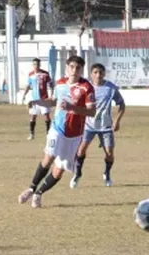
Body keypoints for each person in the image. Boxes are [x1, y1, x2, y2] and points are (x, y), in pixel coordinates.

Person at [18, 55, 96, 208]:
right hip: (57, 128)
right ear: (67, 67)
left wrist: (72, 108)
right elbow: (53, 101)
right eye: (72, 67)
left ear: (82, 70)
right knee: (49, 157)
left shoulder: (86, 87)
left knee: (59, 170)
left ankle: (38, 193)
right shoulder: (60, 83)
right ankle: (30, 188)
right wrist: (36, 101)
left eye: (78, 68)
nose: (74, 70)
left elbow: (92, 112)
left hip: (74, 135)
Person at [71, 63, 125, 189]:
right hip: (88, 125)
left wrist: (117, 121)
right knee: (81, 150)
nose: (98, 75)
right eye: (95, 72)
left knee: (109, 153)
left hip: (105, 126)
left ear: (104, 74)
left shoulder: (111, 88)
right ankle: (78, 173)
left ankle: (107, 173)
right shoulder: (86, 87)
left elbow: (122, 104)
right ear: (91, 74)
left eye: (100, 72)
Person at [20, 58, 54, 140]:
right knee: (33, 116)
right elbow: (28, 85)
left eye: (38, 64)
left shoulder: (45, 74)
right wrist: (24, 94)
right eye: (34, 64)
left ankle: (48, 133)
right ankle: (32, 134)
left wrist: (52, 95)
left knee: (46, 116)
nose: (36, 66)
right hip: (34, 100)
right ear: (33, 65)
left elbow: (51, 84)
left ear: (40, 65)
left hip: (44, 99)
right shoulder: (31, 74)